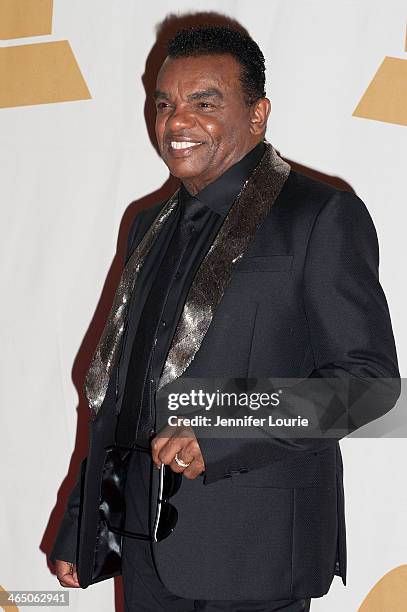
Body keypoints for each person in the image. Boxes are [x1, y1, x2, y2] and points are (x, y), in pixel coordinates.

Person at [49, 25, 400, 611]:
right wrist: (85, 522)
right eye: (165, 103)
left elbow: (369, 387)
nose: (175, 121)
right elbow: (126, 391)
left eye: (204, 103)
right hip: (144, 548)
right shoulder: (147, 224)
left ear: (257, 114)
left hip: (256, 556)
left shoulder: (320, 216)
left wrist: (221, 430)